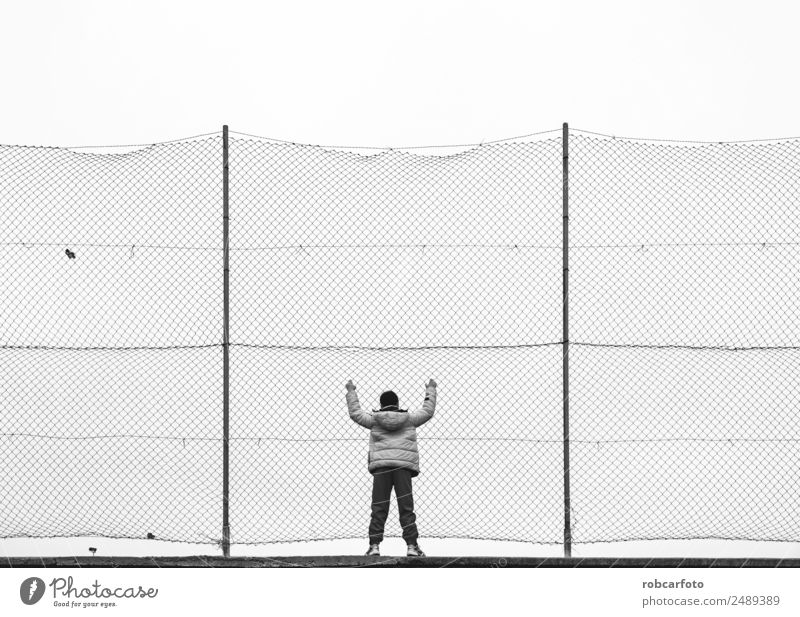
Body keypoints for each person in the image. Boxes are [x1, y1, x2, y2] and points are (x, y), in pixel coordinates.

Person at [346, 378, 437, 557]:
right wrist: (431, 390)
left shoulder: (374, 420)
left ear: (381, 404)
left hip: (382, 468)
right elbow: (427, 411)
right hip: (403, 467)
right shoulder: (409, 419)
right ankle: (411, 546)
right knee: (406, 507)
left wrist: (351, 391)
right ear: (397, 403)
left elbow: (355, 413)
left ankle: (374, 546)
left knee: (379, 506)